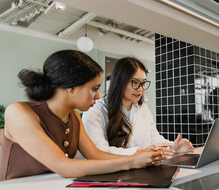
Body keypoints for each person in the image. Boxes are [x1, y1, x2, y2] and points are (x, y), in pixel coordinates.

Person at [0, 50, 164, 180]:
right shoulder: (18, 112)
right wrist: (132, 161)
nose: (98, 96)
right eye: (94, 88)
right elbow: (64, 166)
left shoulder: (73, 116)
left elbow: (96, 155)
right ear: (70, 87)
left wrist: (141, 157)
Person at [82, 57, 194, 157]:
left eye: (144, 83)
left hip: (144, 168)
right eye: (135, 82)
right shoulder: (96, 110)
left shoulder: (143, 108)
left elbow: (154, 138)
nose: (140, 89)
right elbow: (99, 152)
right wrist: (139, 153)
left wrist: (173, 146)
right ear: (120, 82)